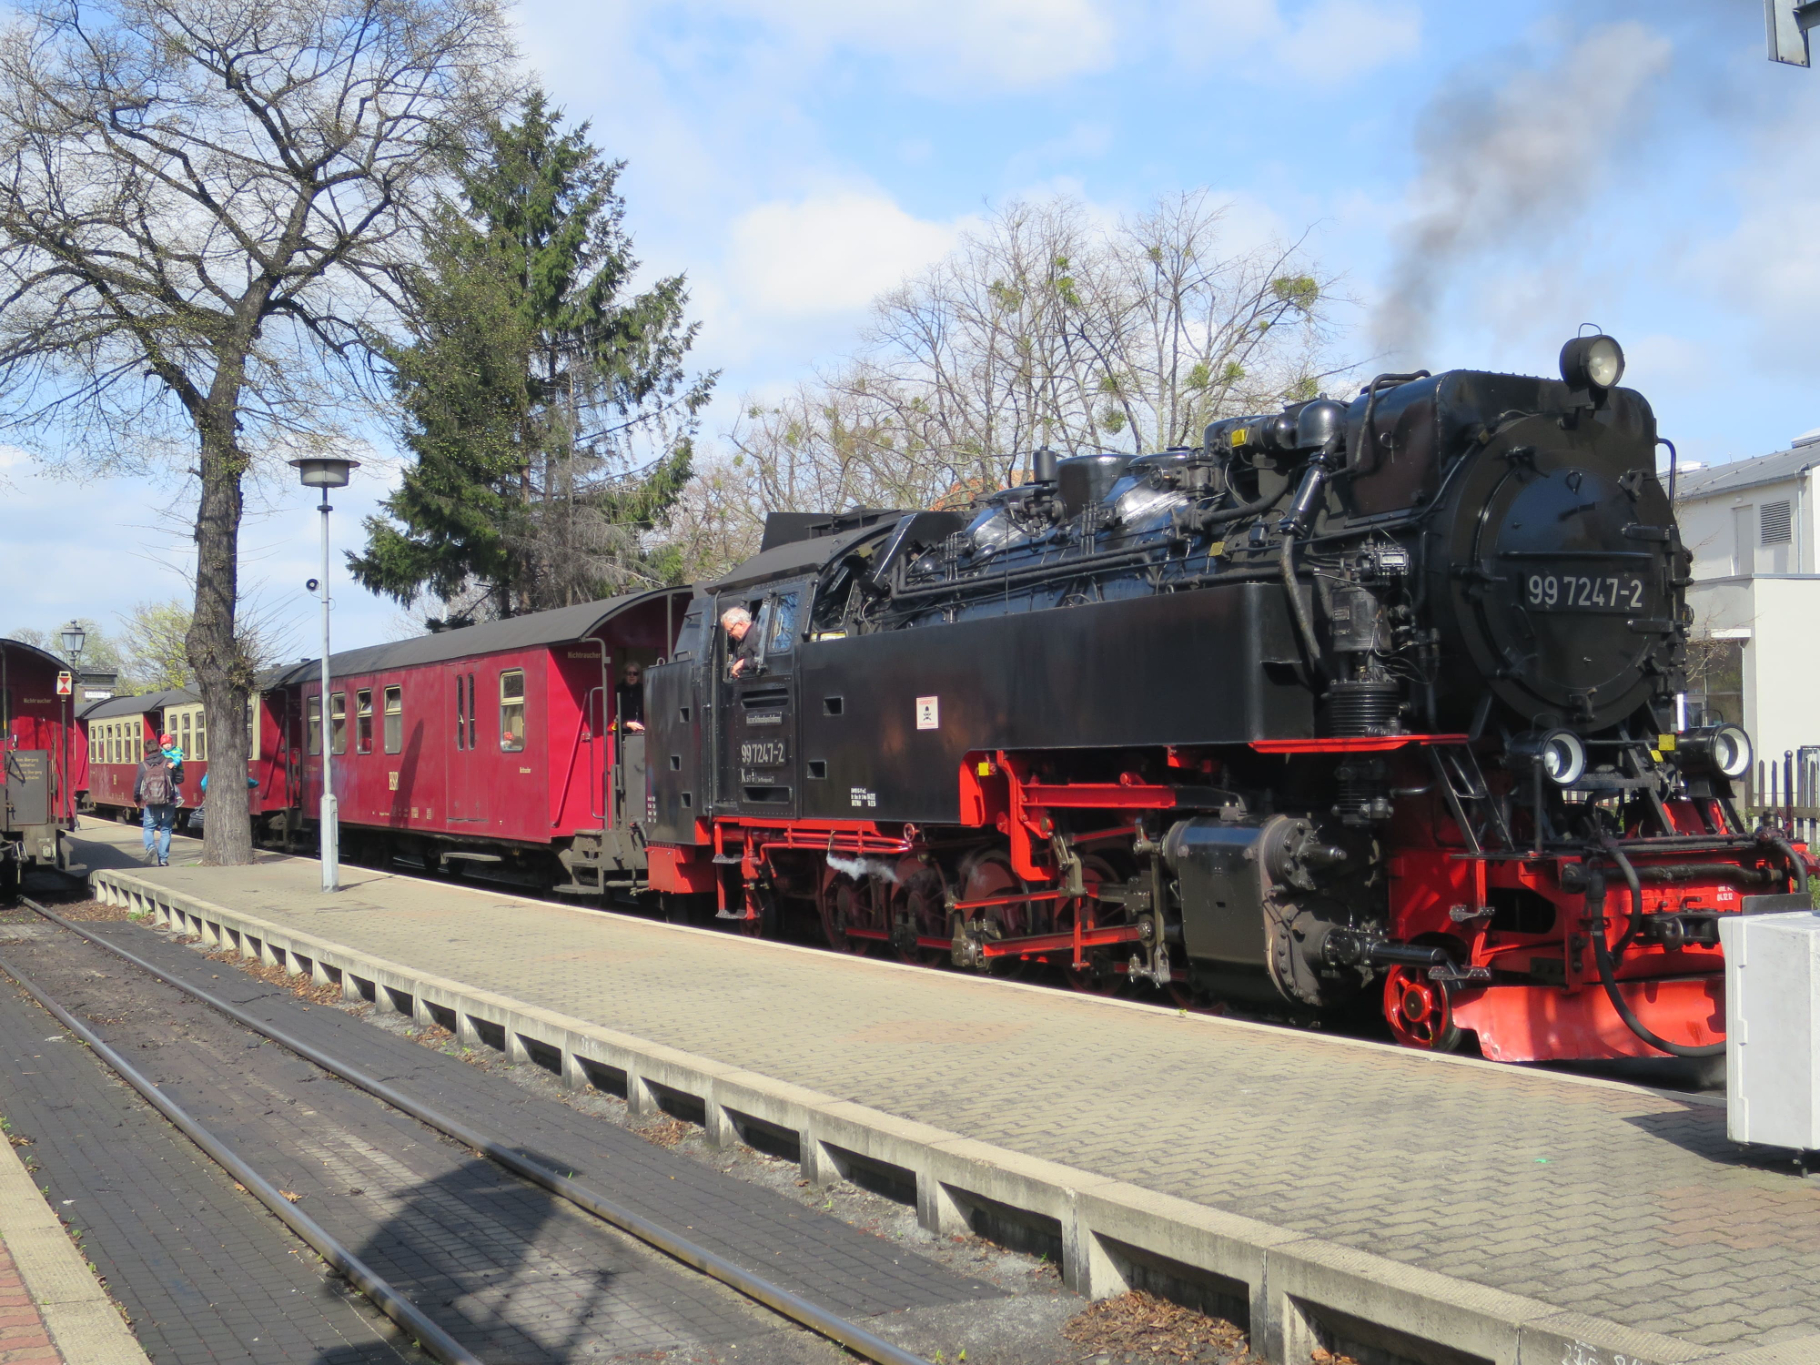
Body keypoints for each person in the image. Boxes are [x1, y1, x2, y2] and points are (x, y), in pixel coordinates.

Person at [134, 744, 178, 866]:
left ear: (146, 751)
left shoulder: (143, 765)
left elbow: (138, 785)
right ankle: (163, 859)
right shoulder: (168, 762)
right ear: (159, 749)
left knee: (149, 828)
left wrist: (136, 799)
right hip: (168, 800)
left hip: (151, 802)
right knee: (166, 829)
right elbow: (179, 778)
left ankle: (150, 847)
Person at [721, 606, 762, 677]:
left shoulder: (755, 634)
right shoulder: (743, 638)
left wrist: (743, 663)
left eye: (730, 631)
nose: (730, 635)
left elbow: (763, 660)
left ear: (741, 624)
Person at [615, 661, 645, 733]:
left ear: (638, 676)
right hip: (621, 732)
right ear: (624, 675)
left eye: (635, 673)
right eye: (629, 673)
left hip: (642, 731)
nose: (632, 676)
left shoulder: (644, 690)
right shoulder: (617, 690)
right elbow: (613, 714)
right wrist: (627, 724)